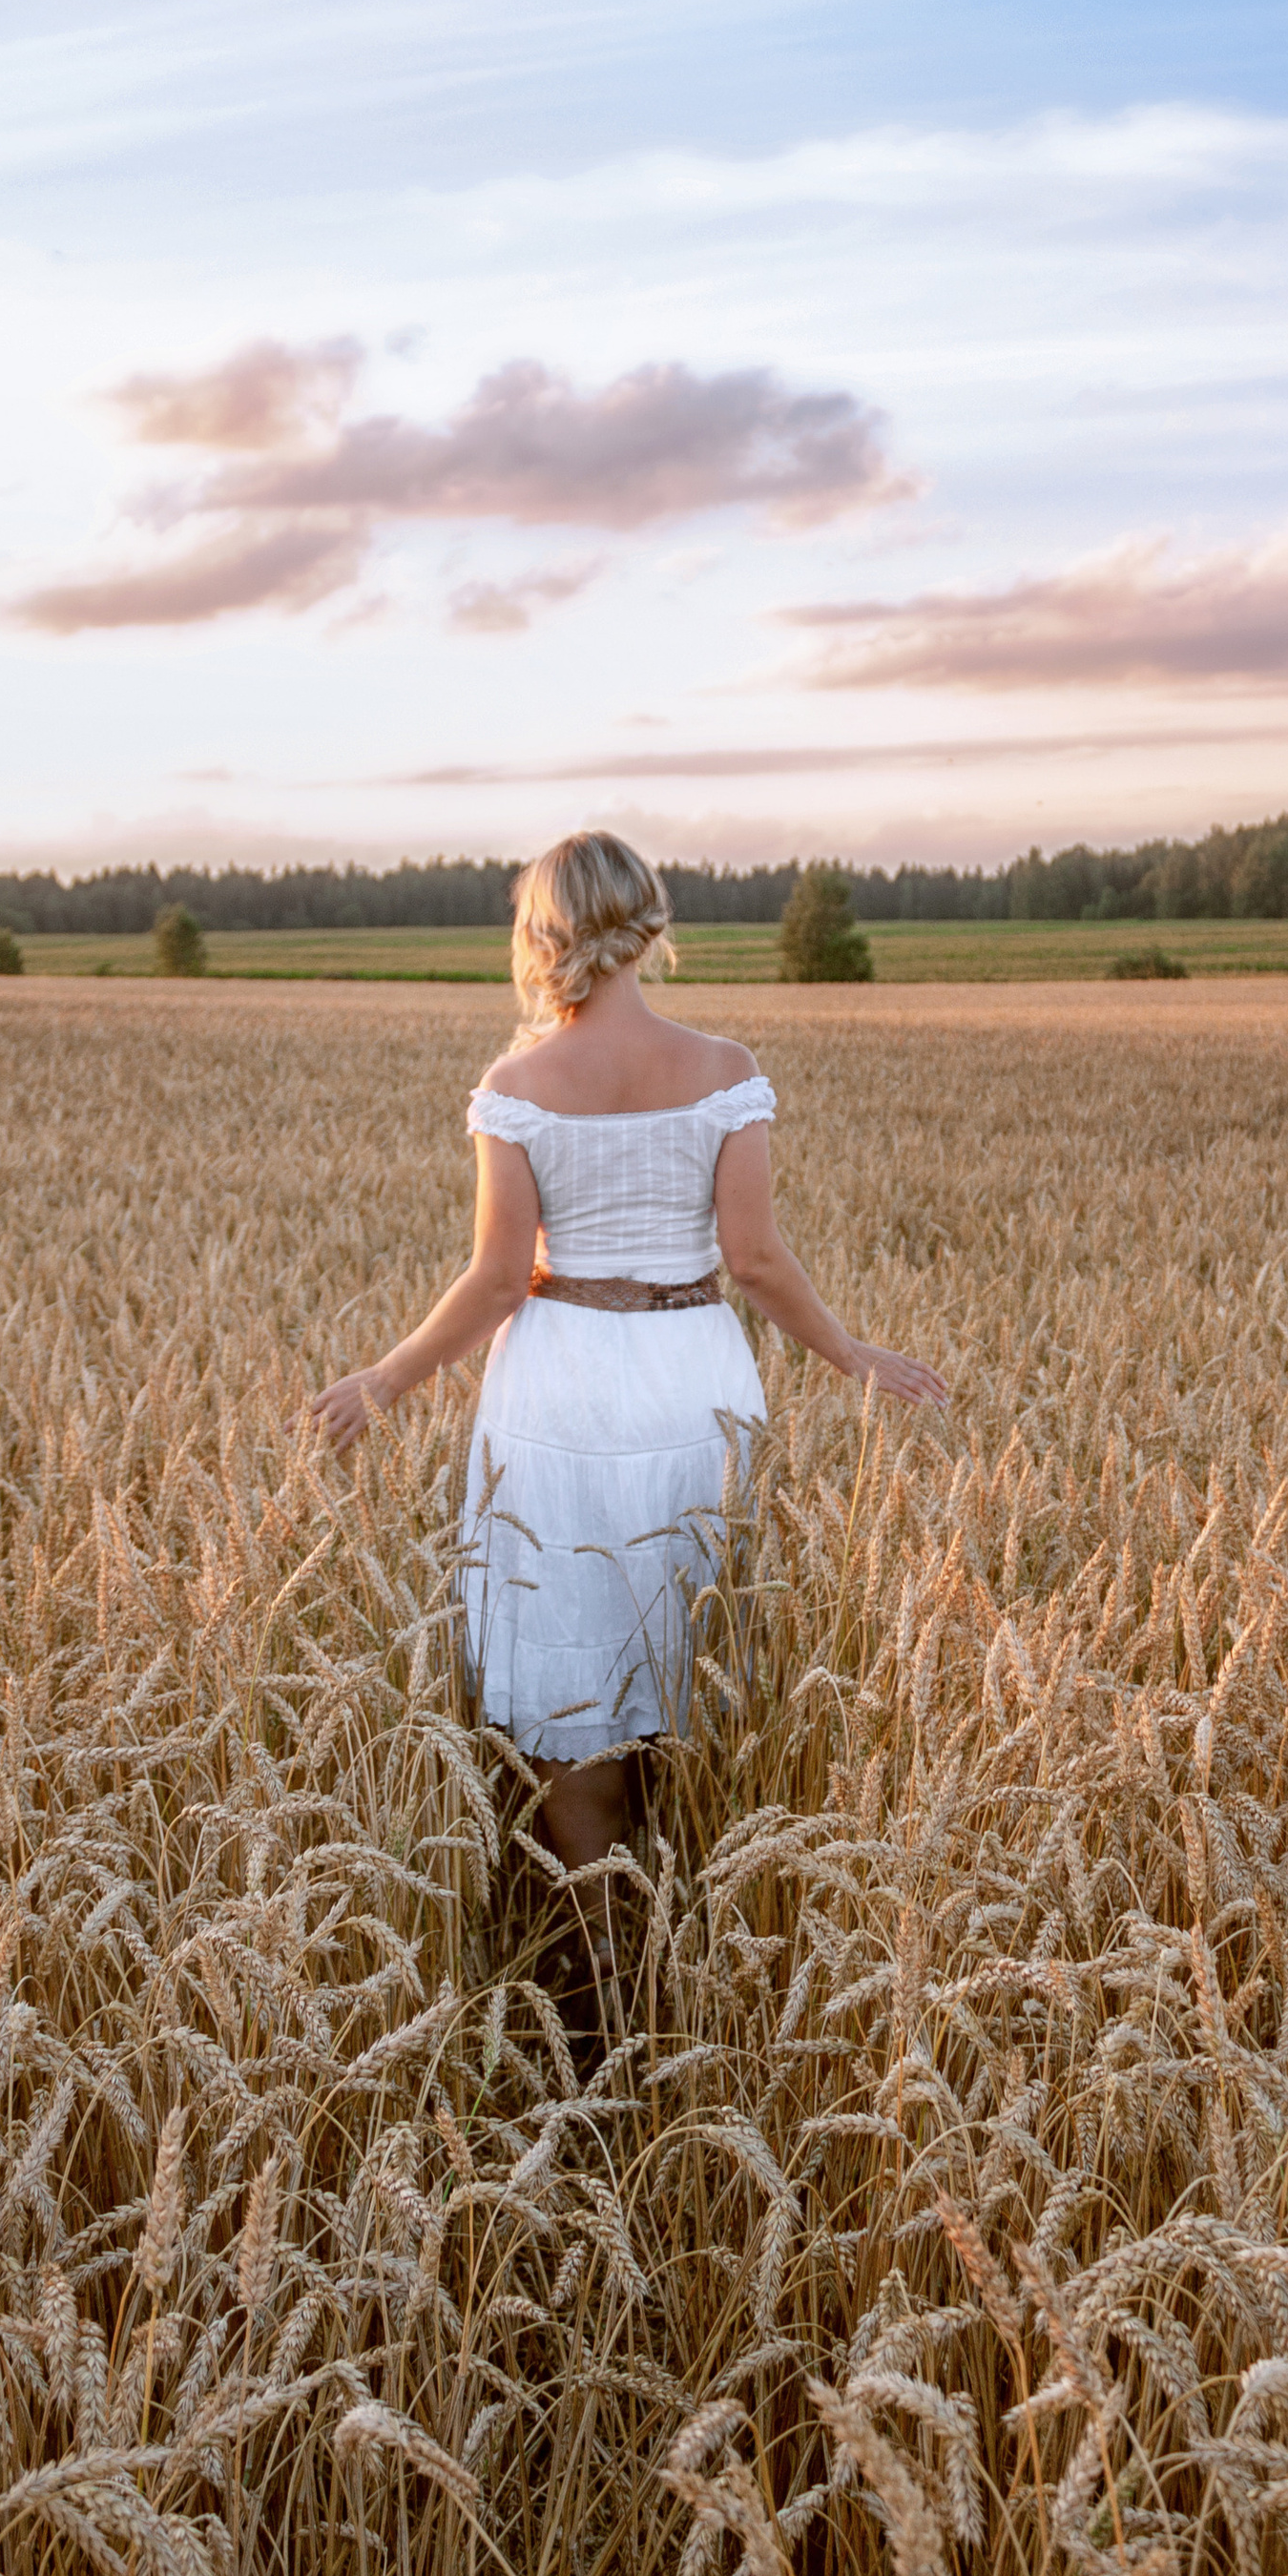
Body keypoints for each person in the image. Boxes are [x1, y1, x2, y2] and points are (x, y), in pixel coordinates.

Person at [311, 832, 947, 1989]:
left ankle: (607, 1955)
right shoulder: (723, 1069)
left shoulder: (517, 1090)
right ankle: (704, 1931)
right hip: (691, 1380)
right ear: (652, 922)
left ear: (540, 935)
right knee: (692, 1642)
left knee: (572, 1663)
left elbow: (496, 1280)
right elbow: (754, 1259)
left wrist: (382, 1380)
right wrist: (852, 1355)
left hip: (557, 1387)